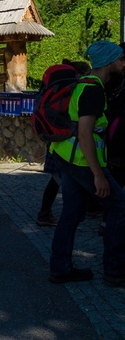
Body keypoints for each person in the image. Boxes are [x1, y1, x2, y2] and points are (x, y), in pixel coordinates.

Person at [48, 40, 125, 286]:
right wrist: (98, 174)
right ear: (111, 61)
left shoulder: (85, 83)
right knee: (119, 207)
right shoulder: (93, 89)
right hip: (82, 161)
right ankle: (114, 271)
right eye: (121, 59)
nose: (123, 64)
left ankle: (60, 268)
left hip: (67, 157)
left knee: (72, 213)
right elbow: (85, 133)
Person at [36, 60, 91, 227]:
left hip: (56, 142)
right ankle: (49, 214)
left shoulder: (57, 91)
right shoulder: (72, 93)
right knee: (61, 181)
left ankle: (48, 213)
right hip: (66, 144)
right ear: (79, 75)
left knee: (57, 180)